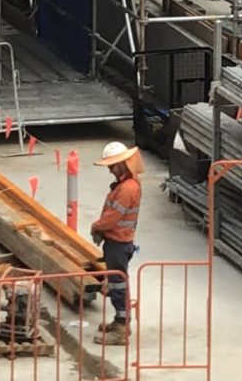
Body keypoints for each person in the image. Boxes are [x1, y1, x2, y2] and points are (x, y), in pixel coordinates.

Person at [90, 140, 142, 342]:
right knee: (117, 283)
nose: (110, 170)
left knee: (118, 285)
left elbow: (113, 217)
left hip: (119, 243)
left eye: (112, 165)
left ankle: (121, 329)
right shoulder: (125, 185)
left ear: (123, 163)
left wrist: (97, 226)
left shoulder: (127, 188)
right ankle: (121, 320)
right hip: (119, 241)